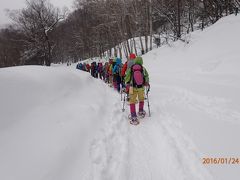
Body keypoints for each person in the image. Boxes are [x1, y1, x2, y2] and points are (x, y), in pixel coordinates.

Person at [124, 56, 149, 125]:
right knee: (141, 99)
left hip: (132, 87)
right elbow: (146, 76)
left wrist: (127, 84)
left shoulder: (131, 68)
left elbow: (127, 78)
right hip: (141, 87)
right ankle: (140, 111)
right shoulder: (143, 68)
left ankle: (133, 116)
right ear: (141, 61)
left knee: (132, 101)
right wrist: (146, 82)